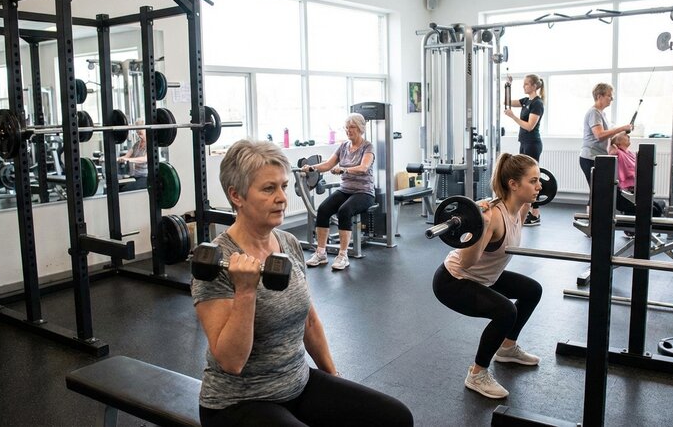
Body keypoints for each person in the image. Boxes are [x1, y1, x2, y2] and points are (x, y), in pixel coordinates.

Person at [191, 139, 413, 427]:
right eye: (269, 189)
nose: (282, 197)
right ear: (237, 196)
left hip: (298, 383)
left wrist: (332, 377)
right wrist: (245, 291)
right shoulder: (217, 261)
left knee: (395, 418)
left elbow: (309, 321)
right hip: (239, 402)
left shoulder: (288, 243)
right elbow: (231, 362)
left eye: (283, 186)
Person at [432, 153, 544, 399]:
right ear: (513, 184)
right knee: (506, 312)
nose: (540, 186)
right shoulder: (491, 216)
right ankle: (477, 373)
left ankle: (507, 347)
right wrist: (478, 228)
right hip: (454, 281)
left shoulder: (521, 208)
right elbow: (466, 261)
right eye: (533, 180)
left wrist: (533, 198)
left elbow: (532, 203)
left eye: (538, 180)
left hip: (485, 277)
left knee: (532, 291)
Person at [301, 113, 375, 271]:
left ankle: (343, 255)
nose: (349, 130)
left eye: (352, 127)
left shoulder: (367, 147)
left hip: (364, 192)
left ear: (360, 129)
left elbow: (364, 168)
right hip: (346, 189)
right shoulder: (343, 146)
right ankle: (321, 252)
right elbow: (328, 164)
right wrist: (312, 168)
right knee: (323, 210)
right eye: (347, 127)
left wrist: (343, 170)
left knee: (344, 211)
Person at [579, 83, 632, 206]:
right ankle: (592, 221)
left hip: (598, 157)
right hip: (590, 158)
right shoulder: (594, 113)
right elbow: (599, 135)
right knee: (597, 192)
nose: (611, 99)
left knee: (598, 192)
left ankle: (593, 220)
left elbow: (605, 136)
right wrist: (620, 128)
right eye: (609, 96)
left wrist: (623, 132)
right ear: (599, 96)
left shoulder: (601, 113)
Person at [504, 74, 545, 226]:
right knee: (524, 177)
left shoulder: (537, 103)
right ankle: (529, 212)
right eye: (524, 84)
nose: (524, 86)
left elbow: (529, 126)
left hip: (533, 143)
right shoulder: (526, 101)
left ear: (534, 86)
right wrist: (508, 85)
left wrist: (513, 117)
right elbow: (506, 102)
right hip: (524, 142)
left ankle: (535, 213)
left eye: (527, 84)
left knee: (532, 178)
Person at [608, 132, 665, 219]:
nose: (627, 136)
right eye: (624, 136)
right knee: (655, 211)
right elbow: (611, 158)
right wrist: (612, 153)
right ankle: (631, 219)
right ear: (618, 143)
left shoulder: (631, 153)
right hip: (625, 192)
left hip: (636, 189)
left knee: (657, 207)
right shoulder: (617, 153)